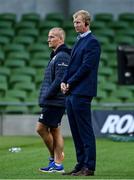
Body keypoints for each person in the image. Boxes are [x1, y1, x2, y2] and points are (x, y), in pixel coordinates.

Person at [61, 10, 101, 176]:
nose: (75, 25)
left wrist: (70, 82)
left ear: (87, 23)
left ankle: (89, 166)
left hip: (82, 91)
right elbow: (71, 65)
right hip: (72, 92)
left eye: (78, 22)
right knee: (76, 131)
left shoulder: (92, 42)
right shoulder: (78, 41)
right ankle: (80, 164)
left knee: (84, 130)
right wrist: (64, 80)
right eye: (74, 22)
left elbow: (86, 68)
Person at [36, 27, 70, 173]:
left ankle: (55, 160)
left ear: (60, 39)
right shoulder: (56, 55)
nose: (48, 39)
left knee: (41, 128)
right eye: (48, 37)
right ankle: (57, 164)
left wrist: (46, 95)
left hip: (55, 100)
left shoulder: (62, 56)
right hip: (54, 100)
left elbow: (59, 80)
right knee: (55, 130)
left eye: (51, 37)